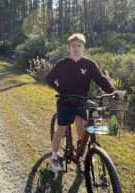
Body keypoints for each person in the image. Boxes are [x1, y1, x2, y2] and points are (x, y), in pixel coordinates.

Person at [45, 33, 116, 172]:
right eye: (73, 46)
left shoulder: (89, 64)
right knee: (60, 130)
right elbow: (49, 78)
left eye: (79, 46)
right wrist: (59, 89)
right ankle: (53, 157)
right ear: (69, 48)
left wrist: (112, 91)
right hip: (65, 100)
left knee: (83, 131)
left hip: (82, 101)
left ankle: (81, 156)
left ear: (83, 48)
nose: (76, 48)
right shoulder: (62, 64)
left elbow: (101, 80)